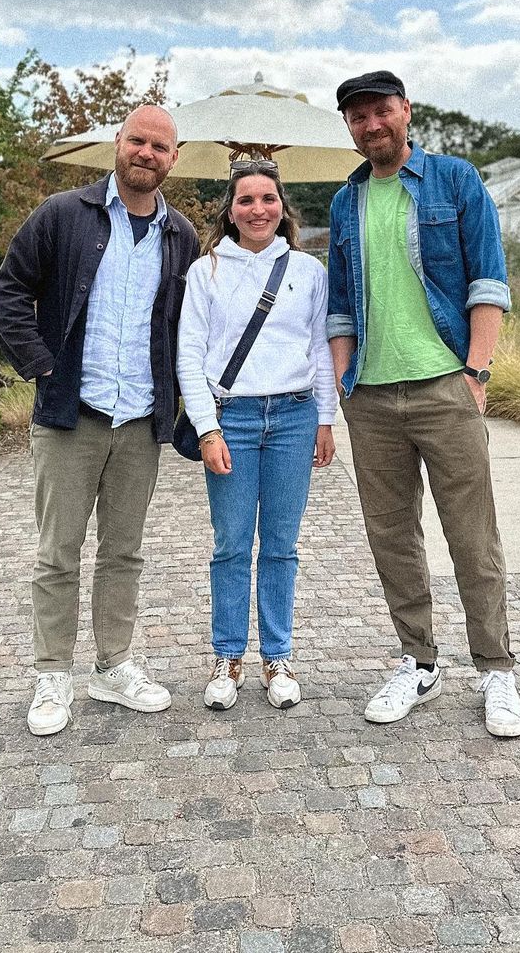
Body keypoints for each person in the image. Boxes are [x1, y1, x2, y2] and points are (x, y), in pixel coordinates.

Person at [327, 71, 520, 738]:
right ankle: (417, 660)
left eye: (381, 111)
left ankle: (496, 669)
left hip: (447, 384)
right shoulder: (344, 203)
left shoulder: (454, 180)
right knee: (392, 538)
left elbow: (488, 279)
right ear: (349, 128)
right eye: (357, 117)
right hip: (373, 397)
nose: (371, 125)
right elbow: (339, 305)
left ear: (405, 112)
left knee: (473, 535)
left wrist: (476, 371)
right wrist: (344, 379)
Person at [0, 105, 199, 736]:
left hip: (140, 417)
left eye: (159, 146)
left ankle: (114, 667)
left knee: (123, 552)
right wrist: (42, 365)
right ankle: (53, 673)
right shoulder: (62, 215)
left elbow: (187, 327)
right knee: (57, 552)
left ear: (173, 158)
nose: (146, 153)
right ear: (118, 143)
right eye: (137, 140)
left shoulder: (180, 236)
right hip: (70, 415)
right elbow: (9, 292)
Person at [176, 161, 337, 712]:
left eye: (268, 199)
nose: (258, 209)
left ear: (283, 208)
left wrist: (325, 418)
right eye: (245, 200)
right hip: (232, 420)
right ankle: (227, 655)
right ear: (230, 210)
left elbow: (320, 349)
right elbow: (189, 356)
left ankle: (278, 655)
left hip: (294, 416)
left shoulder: (307, 270)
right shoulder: (207, 271)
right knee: (231, 544)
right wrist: (207, 429)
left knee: (281, 546)